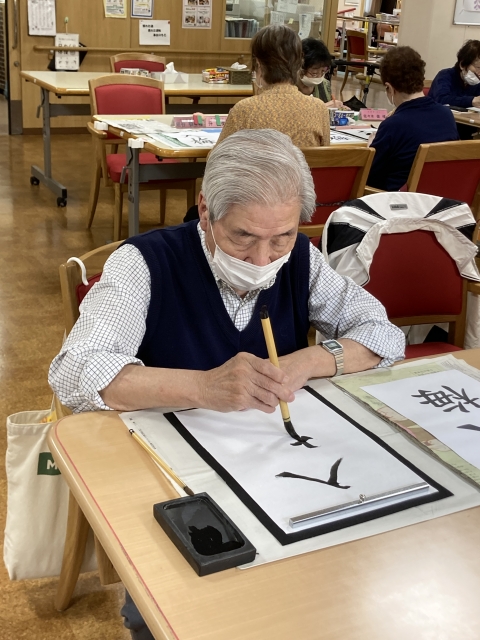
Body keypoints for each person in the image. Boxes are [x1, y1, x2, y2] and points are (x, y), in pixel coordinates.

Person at [49, 128, 405, 640]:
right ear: (205, 211)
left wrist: (307, 361)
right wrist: (203, 387)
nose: (264, 260)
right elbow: (75, 370)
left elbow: (381, 333)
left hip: (276, 465)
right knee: (181, 606)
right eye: (242, 237)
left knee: (322, 583)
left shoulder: (300, 260)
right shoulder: (146, 263)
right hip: (170, 475)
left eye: (281, 237)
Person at [216, 25, 330, 147]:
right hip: (302, 161)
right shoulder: (319, 109)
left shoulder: (244, 110)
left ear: (258, 64)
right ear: (299, 64)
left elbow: (218, 155)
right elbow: (326, 154)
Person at [367, 46, 459, 191]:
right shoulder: (446, 115)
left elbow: (370, 177)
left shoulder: (393, 125)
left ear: (390, 88)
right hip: (439, 198)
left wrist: (370, 150)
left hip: (397, 200)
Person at [429, 39, 480, 109]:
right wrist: (471, 101)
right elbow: (441, 99)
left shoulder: (477, 82)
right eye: (478, 67)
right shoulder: (445, 75)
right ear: (462, 65)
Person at [296, 37, 343, 108]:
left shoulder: (324, 85)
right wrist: (323, 107)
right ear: (300, 67)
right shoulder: (288, 87)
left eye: (323, 71)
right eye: (314, 73)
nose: (319, 76)